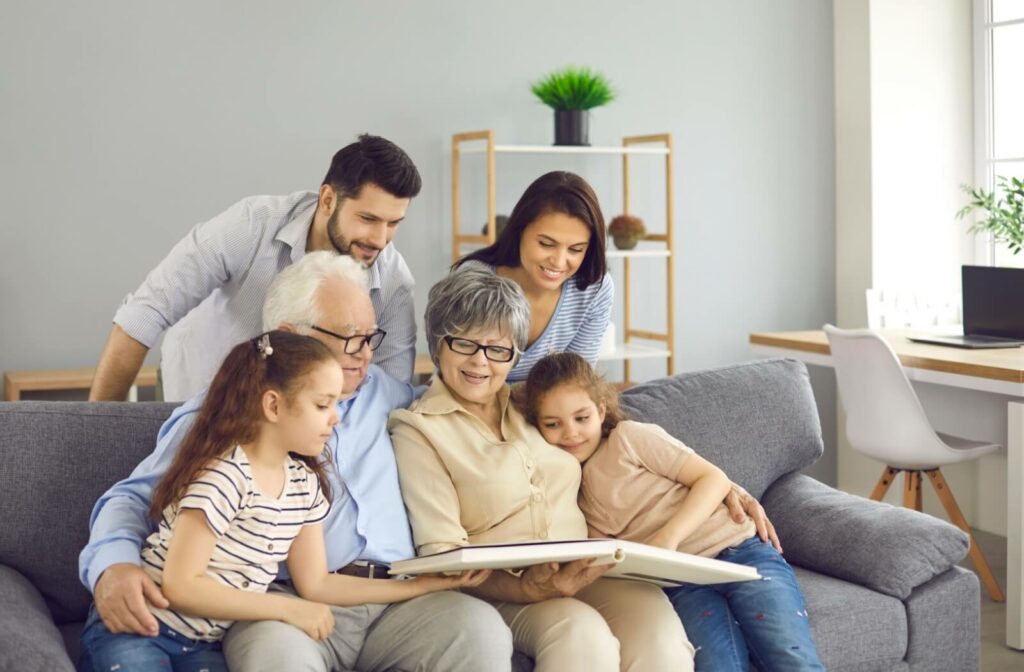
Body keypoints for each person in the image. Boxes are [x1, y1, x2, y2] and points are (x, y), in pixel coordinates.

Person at [80, 252, 513, 672]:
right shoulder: (225, 420)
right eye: (349, 337)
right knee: (276, 656)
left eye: (370, 337)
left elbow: (466, 408)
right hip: (290, 601)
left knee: (480, 631)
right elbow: (133, 498)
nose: (365, 353)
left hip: (398, 600)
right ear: (292, 334)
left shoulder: (392, 398)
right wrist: (112, 567)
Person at [389, 266, 694, 672]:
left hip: (589, 566)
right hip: (501, 588)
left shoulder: (529, 404)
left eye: (498, 348)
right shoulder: (418, 429)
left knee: (662, 641)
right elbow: (445, 555)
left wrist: (722, 487)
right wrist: (526, 588)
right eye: (465, 344)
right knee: (582, 636)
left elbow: (617, 440)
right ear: (438, 343)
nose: (481, 362)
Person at [520, 352, 824, 672]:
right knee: (717, 665)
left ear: (600, 410)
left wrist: (668, 539)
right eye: (553, 424)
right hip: (681, 582)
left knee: (790, 659)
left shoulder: (630, 438)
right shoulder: (570, 490)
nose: (571, 433)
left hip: (740, 552)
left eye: (581, 418)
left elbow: (713, 479)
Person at [90, 134, 421, 402]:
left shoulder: (393, 283)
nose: (380, 239)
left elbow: (389, 394)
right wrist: (97, 436)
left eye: (394, 223)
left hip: (302, 421)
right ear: (327, 200)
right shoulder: (251, 226)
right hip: (198, 391)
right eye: (368, 219)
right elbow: (144, 315)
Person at [453, 171, 613, 381]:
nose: (558, 261)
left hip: (548, 409)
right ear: (519, 231)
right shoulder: (475, 279)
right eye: (546, 244)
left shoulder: (595, 289)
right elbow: (466, 378)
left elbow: (575, 382)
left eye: (575, 249)